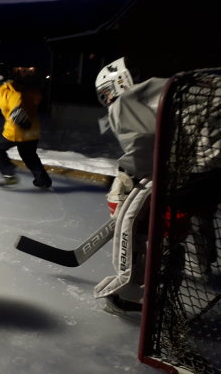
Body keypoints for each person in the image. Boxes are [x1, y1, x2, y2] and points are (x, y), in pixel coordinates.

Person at [91, 57, 168, 315]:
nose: (109, 100)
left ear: (120, 82)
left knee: (132, 224)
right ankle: (192, 265)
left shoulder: (126, 102)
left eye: (107, 92)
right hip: (196, 172)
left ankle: (133, 295)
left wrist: (127, 174)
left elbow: (143, 147)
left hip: (166, 178)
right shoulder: (161, 89)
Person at [0, 63, 52, 188]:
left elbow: (16, 102)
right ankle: (43, 181)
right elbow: (35, 97)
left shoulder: (6, 90)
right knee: (29, 156)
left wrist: (18, 115)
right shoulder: (20, 87)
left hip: (18, 129)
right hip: (33, 129)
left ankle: (8, 175)